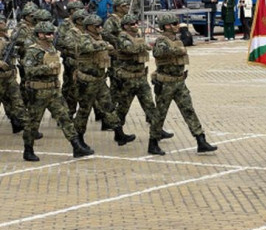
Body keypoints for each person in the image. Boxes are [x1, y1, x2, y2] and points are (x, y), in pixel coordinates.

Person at [21, 21, 93, 161]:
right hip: (39, 92)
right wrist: (47, 68)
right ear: (40, 35)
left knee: (65, 118)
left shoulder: (52, 49)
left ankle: (76, 146)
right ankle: (28, 149)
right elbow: (29, 71)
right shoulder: (32, 51)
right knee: (33, 122)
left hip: (54, 90)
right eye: (48, 34)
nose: (51, 36)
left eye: (52, 33)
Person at [151, 12, 217, 154]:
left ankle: (201, 140)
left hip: (179, 82)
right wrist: (178, 50)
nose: (177, 26)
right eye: (174, 24)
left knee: (189, 111)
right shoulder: (162, 40)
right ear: (166, 26)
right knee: (160, 114)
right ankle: (153, 142)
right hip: (166, 83)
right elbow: (158, 52)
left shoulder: (176, 39)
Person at [74, 14, 133, 152]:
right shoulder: (84, 38)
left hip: (99, 81)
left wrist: (107, 46)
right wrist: (104, 45)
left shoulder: (99, 38)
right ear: (89, 27)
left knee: (109, 107)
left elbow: (109, 48)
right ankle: (78, 140)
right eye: (97, 26)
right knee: (84, 111)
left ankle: (119, 134)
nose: (100, 28)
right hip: (87, 82)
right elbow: (89, 48)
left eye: (101, 25)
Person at [114, 14, 166, 156]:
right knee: (123, 108)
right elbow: (131, 49)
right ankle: (118, 132)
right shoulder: (122, 37)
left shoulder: (136, 36)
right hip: (127, 79)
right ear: (125, 26)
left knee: (150, 105)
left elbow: (147, 48)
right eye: (132, 24)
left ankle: (157, 132)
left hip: (140, 77)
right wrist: (143, 44)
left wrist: (143, 44)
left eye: (136, 23)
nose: (135, 26)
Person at [0, 15, 29, 134]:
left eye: (3, 21)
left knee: (16, 100)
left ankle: (23, 125)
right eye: (1, 22)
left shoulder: (7, 38)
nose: (3, 24)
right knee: (7, 101)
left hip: (9, 76)